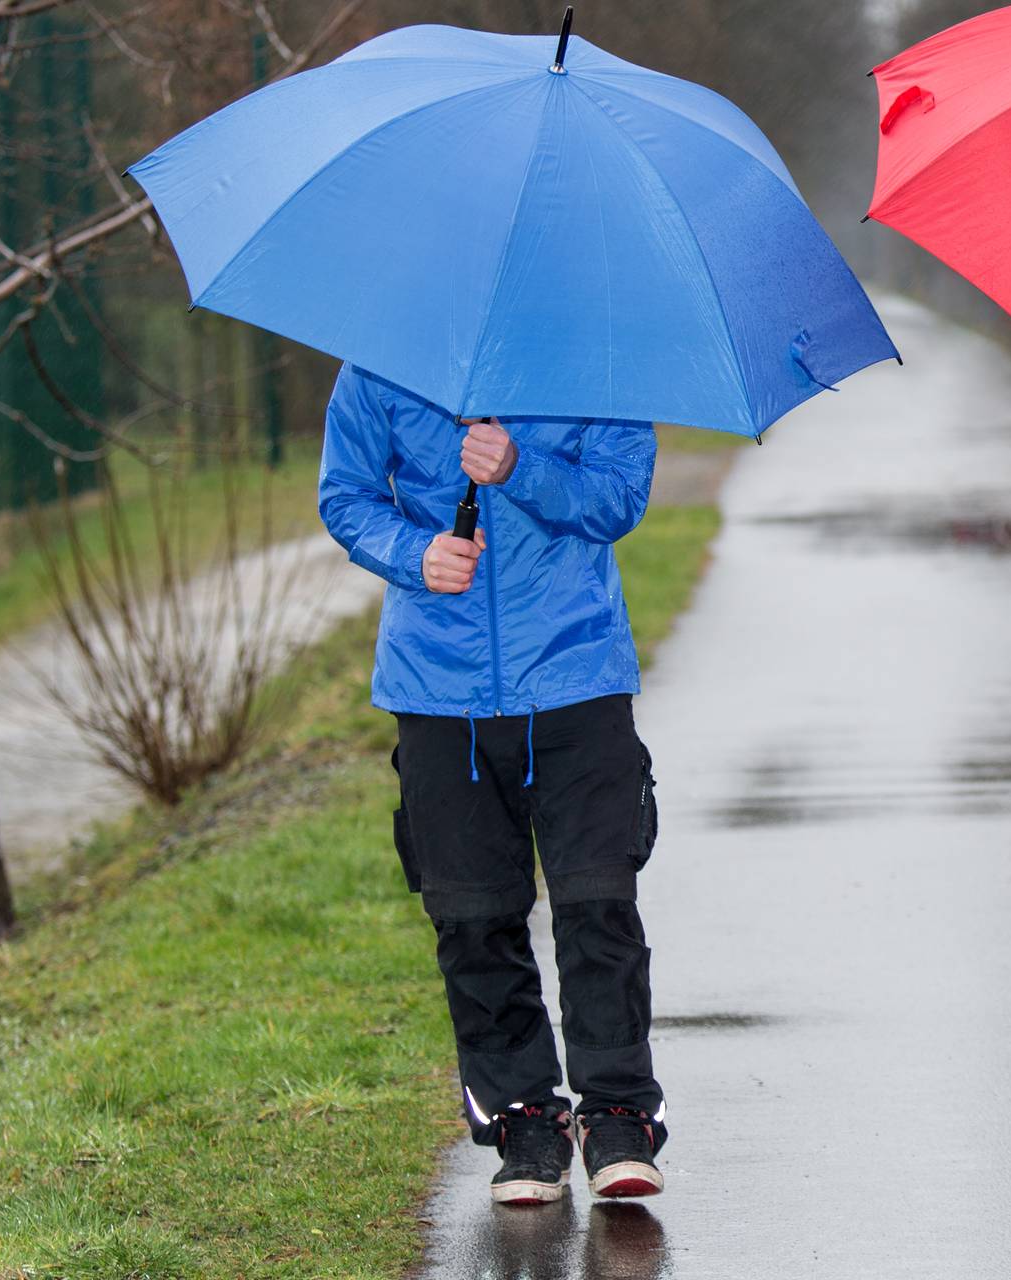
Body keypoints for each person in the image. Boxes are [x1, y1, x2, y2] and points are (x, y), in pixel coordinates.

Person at [318, 364, 671, 1204]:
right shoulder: (379, 363)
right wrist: (413, 554)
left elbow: (619, 499)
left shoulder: (599, 353)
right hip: (438, 689)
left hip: (578, 675)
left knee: (597, 903)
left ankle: (619, 1115)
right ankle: (524, 1119)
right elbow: (346, 496)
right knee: (473, 916)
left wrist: (521, 467)